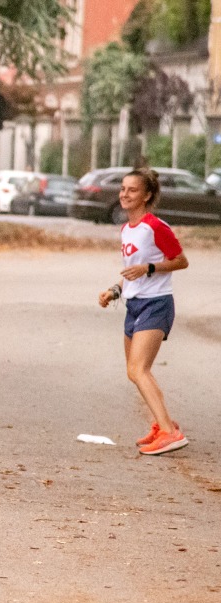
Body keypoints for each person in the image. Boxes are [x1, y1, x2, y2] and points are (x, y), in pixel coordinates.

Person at [97, 168, 189, 456]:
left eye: (132, 190)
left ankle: (171, 434)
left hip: (156, 303)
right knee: (136, 371)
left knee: (139, 369)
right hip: (134, 304)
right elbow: (131, 270)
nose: (124, 194)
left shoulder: (155, 227)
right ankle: (162, 425)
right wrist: (115, 290)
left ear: (147, 195)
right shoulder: (127, 229)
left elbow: (181, 260)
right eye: (123, 189)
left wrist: (150, 268)